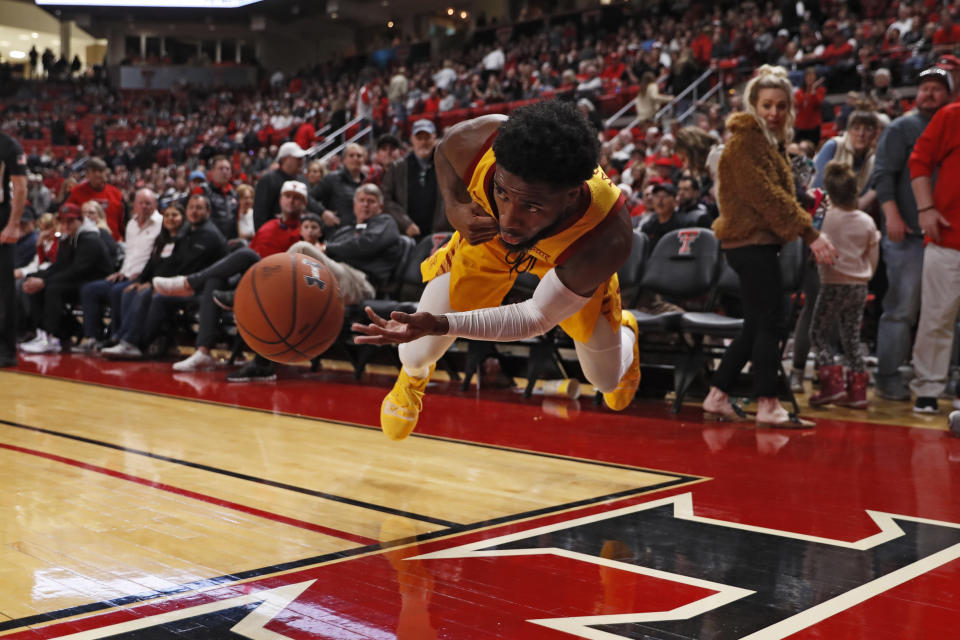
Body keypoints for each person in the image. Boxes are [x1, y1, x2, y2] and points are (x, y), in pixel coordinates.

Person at [352, 100, 640, 440]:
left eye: (531, 206)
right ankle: (412, 379)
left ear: (571, 195)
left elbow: (536, 316)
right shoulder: (481, 139)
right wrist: (456, 208)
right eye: (502, 193)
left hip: (571, 258)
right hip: (488, 245)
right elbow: (444, 153)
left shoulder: (608, 235)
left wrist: (444, 324)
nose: (510, 219)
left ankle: (627, 331)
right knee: (415, 352)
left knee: (605, 382)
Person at [701, 65, 837, 429]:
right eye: (766, 105)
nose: (774, 112)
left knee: (756, 325)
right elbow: (766, 196)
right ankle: (768, 402)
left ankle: (717, 395)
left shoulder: (765, 143)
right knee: (773, 322)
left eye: (780, 106)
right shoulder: (746, 142)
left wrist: (803, 195)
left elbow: (775, 191)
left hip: (753, 241)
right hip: (751, 242)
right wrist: (811, 234)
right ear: (753, 106)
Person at [871, 67, 952, 401]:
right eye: (924, 88)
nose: (928, 93)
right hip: (908, 235)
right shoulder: (901, 127)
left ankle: (940, 378)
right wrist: (891, 215)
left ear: (949, 94)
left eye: (936, 88)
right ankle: (887, 376)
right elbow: (882, 175)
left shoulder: (951, 124)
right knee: (901, 309)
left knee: (945, 313)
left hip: (946, 236)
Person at [807, 162, 879, 409]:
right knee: (851, 336)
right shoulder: (867, 221)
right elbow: (873, 255)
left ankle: (832, 384)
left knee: (817, 333)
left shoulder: (824, 219)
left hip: (832, 284)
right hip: (859, 286)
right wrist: (865, 275)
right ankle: (858, 392)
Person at [906, 91, 960, 414]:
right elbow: (919, 161)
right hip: (948, 234)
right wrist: (925, 207)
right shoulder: (952, 115)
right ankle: (927, 387)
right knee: (937, 316)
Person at [19, 204, 113, 354]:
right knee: (34, 282)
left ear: (80, 221)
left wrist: (44, 282)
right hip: (76, 280)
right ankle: (45, 332)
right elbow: (59, 266)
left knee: (52, 289)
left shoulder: (89, 238)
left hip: (93, 281)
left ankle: (52, 336)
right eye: (62, 222)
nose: (66, 225)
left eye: (70, 221)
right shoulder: (66, 238)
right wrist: (38, 277)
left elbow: (78, 270)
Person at [77, 188, 162, 350]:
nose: (144, 206)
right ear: (134, 206)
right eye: (140, 203)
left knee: (118, 291)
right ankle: (93, 337)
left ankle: (116, 337)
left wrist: (143, 276)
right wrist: (121, 272)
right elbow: (130, 253)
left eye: (148, 203)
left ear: (155, 205)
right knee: (89, 290)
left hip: (142, 276)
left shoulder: (161, 224)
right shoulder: (131, 224)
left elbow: (156, 257)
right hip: (126, 273)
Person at [100, 203, 185, 359]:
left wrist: (152, 284)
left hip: (171, 284)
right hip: (154, 282)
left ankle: (131, 341)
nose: (170, 219)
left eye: (175, 215)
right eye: (167, 215)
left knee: (143, 294)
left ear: (183, 218)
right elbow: (150, 266)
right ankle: (120, 338)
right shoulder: (161, 240)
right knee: (129, 290)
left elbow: (179, 269)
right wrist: (139, 280)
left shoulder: (185, 241)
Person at [381, 119, 448, 240]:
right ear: (412, 139)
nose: (423, 142)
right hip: (408, 235)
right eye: (419, 138)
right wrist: (405, 223)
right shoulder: (397, 167)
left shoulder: (447, 166)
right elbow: (385, 199)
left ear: (435, 139)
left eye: (427, 138)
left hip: (440, 236)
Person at [0, 130, 28, 368]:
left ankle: (6, 350)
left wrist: (13, 224)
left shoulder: (9, 146)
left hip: (1, 219)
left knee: (3, 287)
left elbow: (20, 188)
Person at [65, 157, 125, 241]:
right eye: (93, 171)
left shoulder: (117, 194)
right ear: (87, 174)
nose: (97, 174)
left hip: (112, 243)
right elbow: (66, 217)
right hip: (84, 243)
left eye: (100, 171)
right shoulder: (75, 193)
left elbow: (124, 222)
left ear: (106, 173)